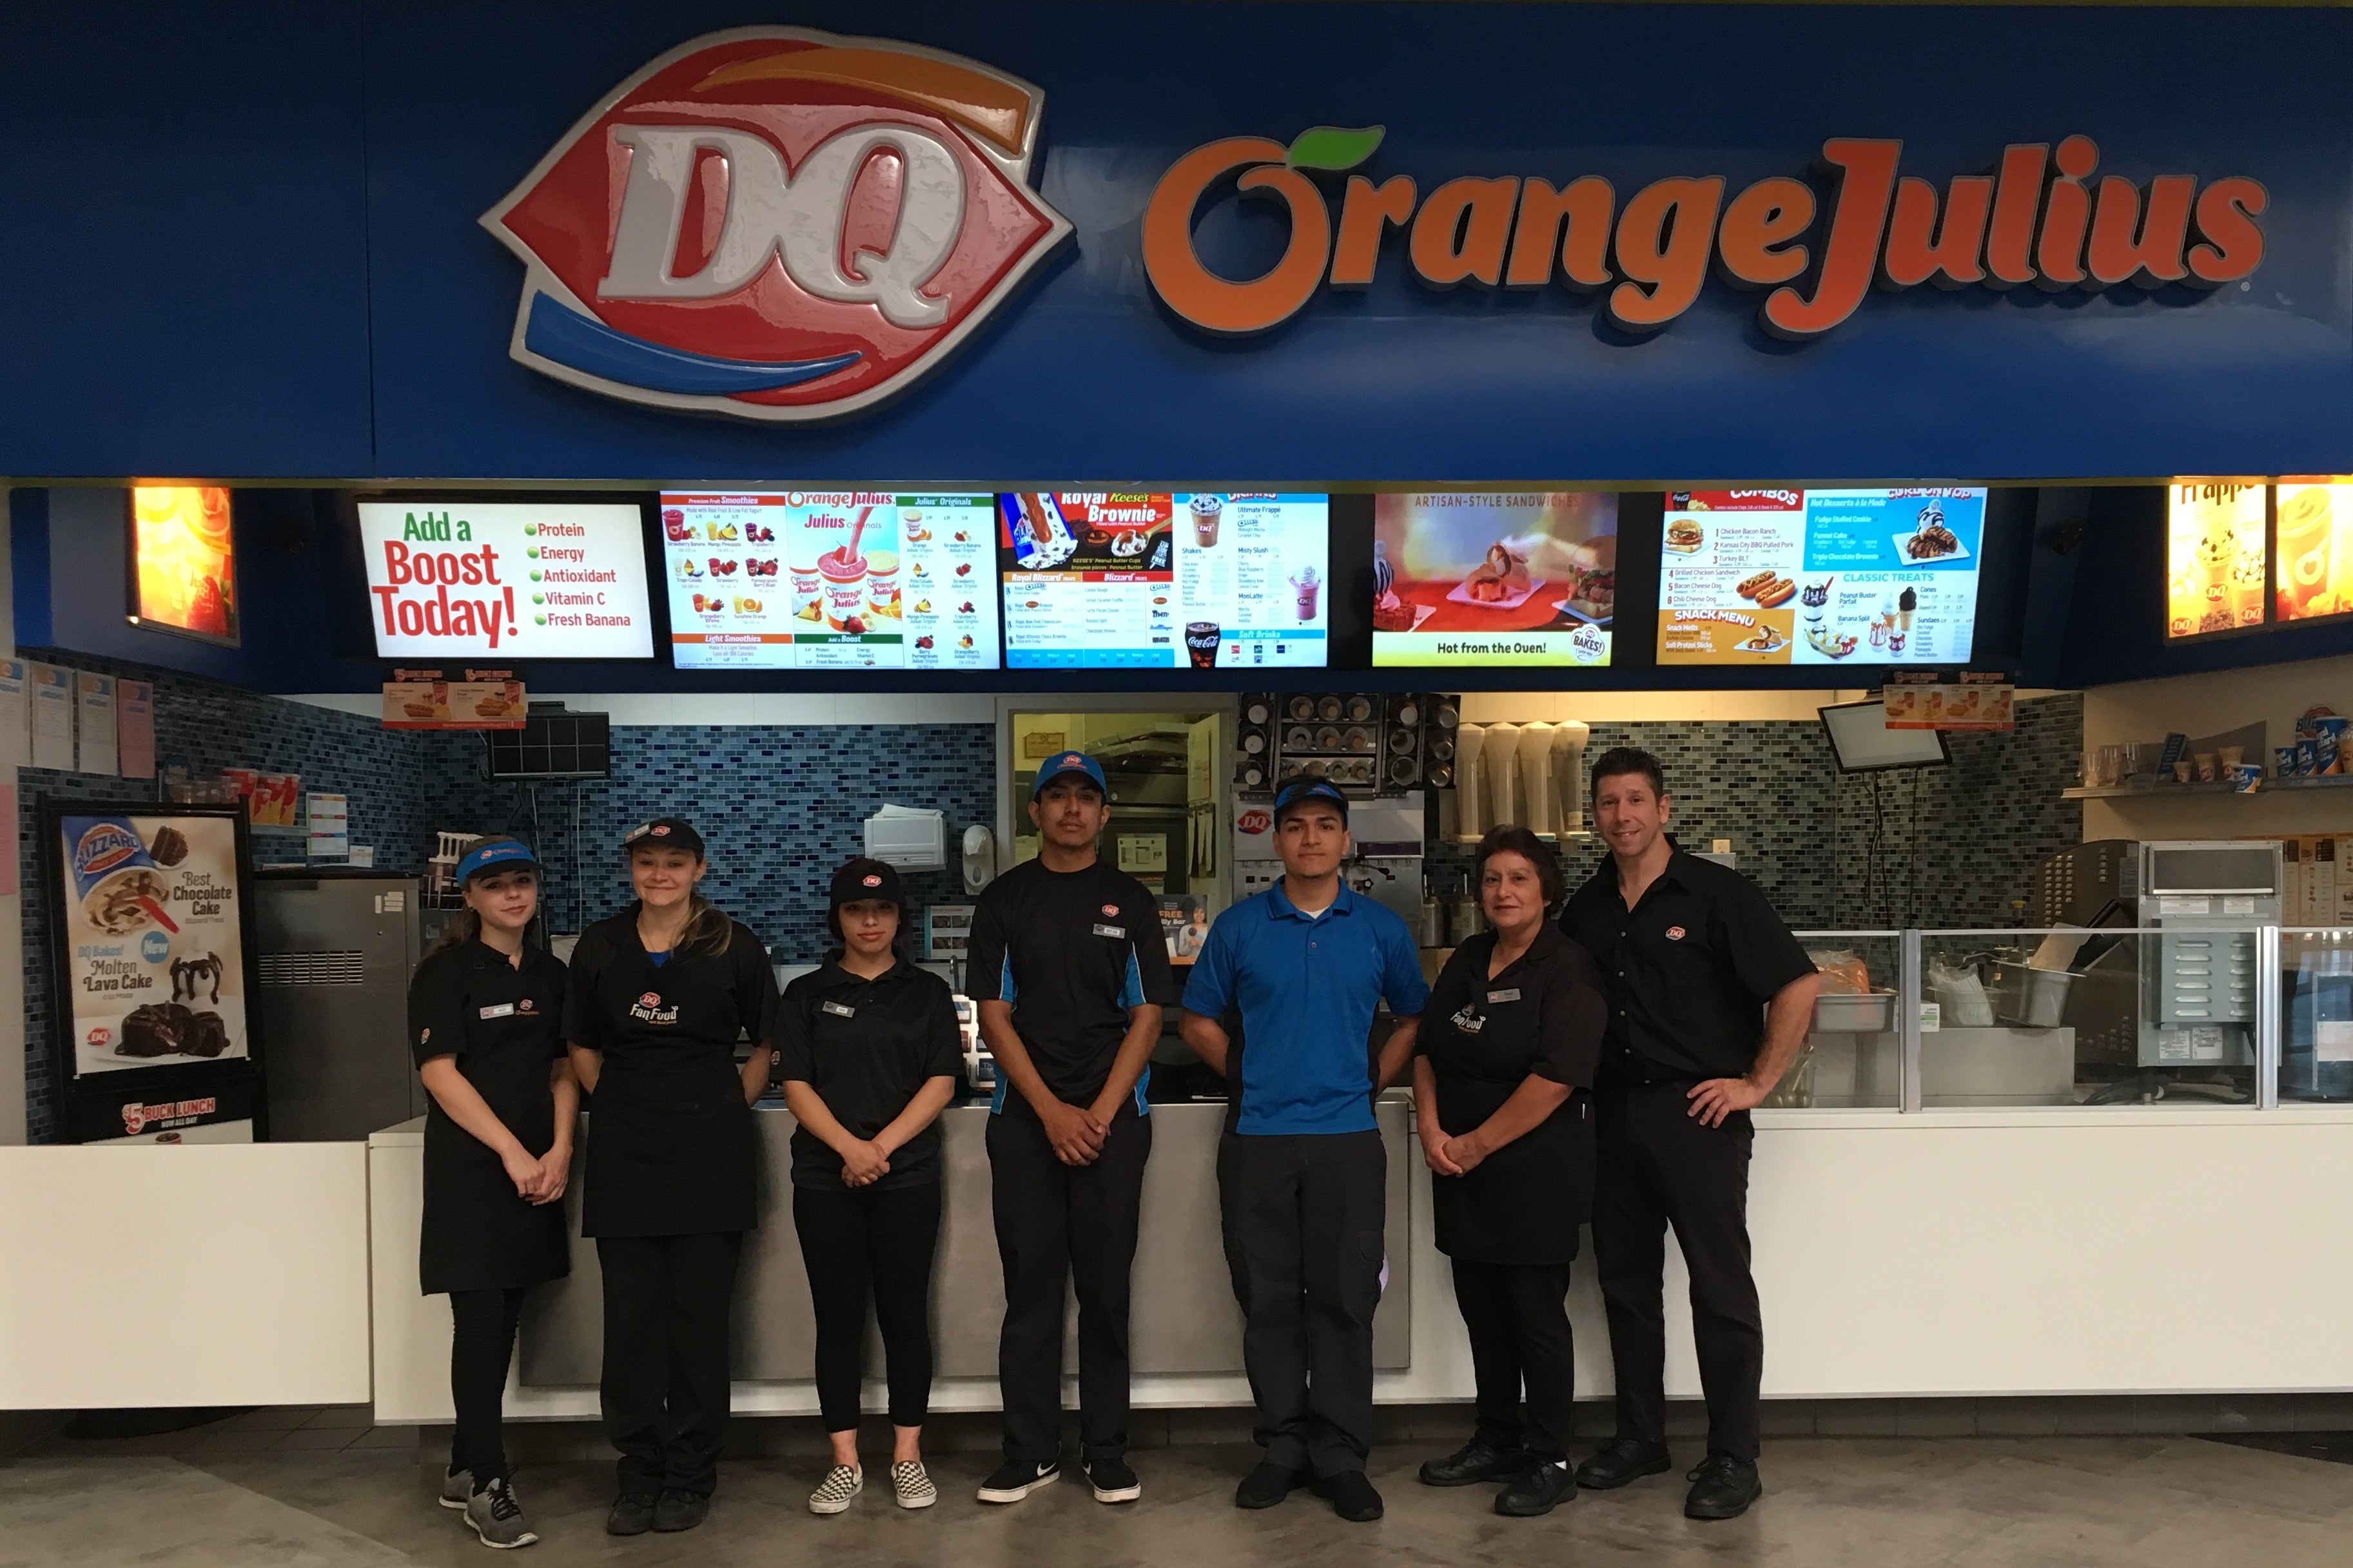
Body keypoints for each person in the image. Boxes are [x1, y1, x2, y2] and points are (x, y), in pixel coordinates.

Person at [1558, 748, 1819, 1522]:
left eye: (1635, 801)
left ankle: (1733, 1456)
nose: (1622, 816)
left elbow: (1796, 983)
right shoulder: (1586, 908)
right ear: (1594, 816)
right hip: (1611, 1115)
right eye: (1607, 803)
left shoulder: (1715, 894)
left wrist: (1755, 1084)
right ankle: (1640, 1438)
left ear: (1664, 808)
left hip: (1697, 1116)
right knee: (1624, 1285)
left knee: (1718, 1285)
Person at [1179, 778, 1429, 1524]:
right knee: (1268, 1299)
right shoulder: (1238, 928)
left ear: (1345, 841)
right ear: (1276, 841)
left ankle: (1341, 1454)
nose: (1310, 838)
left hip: (1347, 1140)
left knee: (1345, 1301)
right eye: (1295, 827)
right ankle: (1283, 1446)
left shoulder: (1380, 930)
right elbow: (1195, 1020)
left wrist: (1370, 1078)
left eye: (1325, 825)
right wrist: (1249, 1075)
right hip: (1257, 1141)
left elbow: (1413, 1018)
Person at [966, 751, 1176, 1507]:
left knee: (1105, 1292)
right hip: (1024, 1123)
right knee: (1030, 1292)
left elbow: (1149, 1015)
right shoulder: (1004, 902)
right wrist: (1052, 1112)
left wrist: (1097, 1111)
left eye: (1086, 797)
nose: (1071, 809)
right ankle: (1028, 1453)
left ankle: (1105, 1452)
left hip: (1114, 1123)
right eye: (1055, 796)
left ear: (1104, 814)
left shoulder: (1131, 901)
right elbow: (993, 1014)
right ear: (1035, 812)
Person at [563, 819, 779, 1538]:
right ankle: (638, 1472)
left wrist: (727, 1104)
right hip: (625, 1159)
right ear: (631, 868)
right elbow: (581, 1046)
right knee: (629, 1328)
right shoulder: (600, 945)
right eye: (647, 862)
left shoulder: (732, 945)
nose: (660, 874)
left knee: (697, 1327)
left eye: (674, 862)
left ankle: (690, 1474)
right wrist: (623, 1106)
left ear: (699, 868)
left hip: (709, 1157)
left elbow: (771, 1041)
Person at [1412, 826, 1606, 1518]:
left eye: (1518, 879)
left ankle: (1549, 1457)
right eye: (1492, 879)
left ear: (1546, 891)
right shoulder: (1467, 958)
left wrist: (1474, 1145)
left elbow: (1555, 1078)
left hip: (1532, 1174)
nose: (1503, 892)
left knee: (1534, 1318)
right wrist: (1430, 1129)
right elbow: (1428, 1050)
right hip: (1461, 1170)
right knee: (1483, 1315)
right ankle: (1495, 1438)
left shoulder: (1568, 969)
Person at [776, 858, 961, 1516]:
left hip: (906, 1177)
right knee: (838, 1318)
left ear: (900, 920)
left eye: (882, 910)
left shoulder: (928, 993)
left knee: (905, 1314)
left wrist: (879, 1148)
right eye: (856, 910)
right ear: (838, 919)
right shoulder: (802, 995)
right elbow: (795, 1085)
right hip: (825, 1180)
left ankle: (907, 1457)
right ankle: (844, 1462)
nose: (871, 921)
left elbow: (941, 1081)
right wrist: (849, 1149)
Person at [409, 837, 576, 1551]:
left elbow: (564, 1067)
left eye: (522, 882)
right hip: (473, 1173)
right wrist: (510, 1150)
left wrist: (559, 1148)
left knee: (505, 1319)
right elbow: (439, 1072)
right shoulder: (445, 973)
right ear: (469, 897)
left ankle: (458, 1463)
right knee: (478, 1324)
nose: (512, 895)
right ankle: (487, 1481)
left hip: (539, 1168)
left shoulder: (549, 971)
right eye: (495, 885)